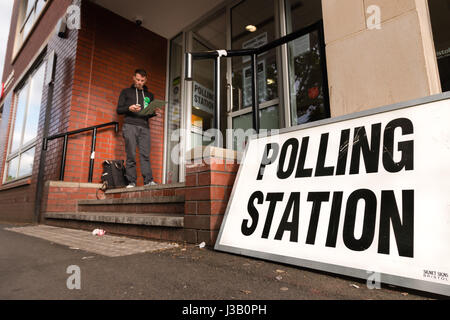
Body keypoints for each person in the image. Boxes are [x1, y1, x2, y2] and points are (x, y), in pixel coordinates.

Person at [117, 69, 157, 188]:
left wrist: (153, 112)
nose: (140, 82)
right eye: (138, 80)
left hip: (144, 127)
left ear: (146, 80)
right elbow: (119, 110)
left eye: (142, 81)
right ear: (133, 78)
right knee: (131, 155)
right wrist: (129, 108)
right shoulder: (126, 92)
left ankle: (148, 181)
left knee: (145, 155)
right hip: (130, 125)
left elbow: (150, 113)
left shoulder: (150, 95)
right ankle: (131, 182)